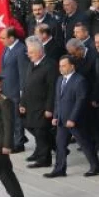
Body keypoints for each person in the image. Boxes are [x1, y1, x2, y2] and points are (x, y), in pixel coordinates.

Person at [45, 55, 99, 178]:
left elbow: (80, 101)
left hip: (75, 120)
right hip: (62, 118)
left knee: (85, 143)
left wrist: (73, 118)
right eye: (60, 66)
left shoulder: (79, 80)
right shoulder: (60, 79)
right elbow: (57, 100)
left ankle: (96, 166)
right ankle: (60, 169)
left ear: (72, 66)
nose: (61, 68)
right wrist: (55, 116)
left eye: (64, 66)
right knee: (60, 144)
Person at [20, 36, 58, 168]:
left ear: (40, 52)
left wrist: (49, 108)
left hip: (42, 106)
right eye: (28, 52)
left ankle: (44, 159)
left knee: (41, 131)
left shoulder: (50, 65)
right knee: (31, 126)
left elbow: (52, 89)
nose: (28, 55)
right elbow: (26, 85)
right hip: (30, 104)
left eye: (31, 53)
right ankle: (55, 146)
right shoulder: (32, 64)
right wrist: (22, 103)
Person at [0, 27, 30, 152]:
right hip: (7, 88)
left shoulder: (20, 50)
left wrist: (22, 92)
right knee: (10, 117)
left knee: (17, 118)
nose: (0, 40)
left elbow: (23, 73)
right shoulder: (7, 48)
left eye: (3, 38)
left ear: (11, 38)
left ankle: (19, 143)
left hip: (16, 90)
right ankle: (16, 139)